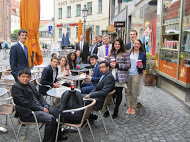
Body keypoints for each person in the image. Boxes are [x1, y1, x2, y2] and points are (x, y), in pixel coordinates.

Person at [11, 68, 68, 142]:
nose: (25, 79)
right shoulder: (16, 88)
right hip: (28, 112)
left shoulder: (31, 84)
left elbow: (39, 96)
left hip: (38, 107)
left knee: (58, 112)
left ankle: (57, 136)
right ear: (18, 77)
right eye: (23, 77)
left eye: (27, 77)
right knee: (50, 119)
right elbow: (25, 103)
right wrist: (41, 109)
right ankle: (48, 140)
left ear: (30, 78)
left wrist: (45, 105)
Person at [106, 37, 131, 119]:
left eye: (118, 44)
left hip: (121, 76)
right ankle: (107, 109)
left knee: (119, 93)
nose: (117, 45)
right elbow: (107, 63)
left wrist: (117, 65)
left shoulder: (125, 53)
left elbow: (128, 65)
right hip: (112, 75)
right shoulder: (111, 53)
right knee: (110, 93)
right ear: (113, 45)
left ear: (121, 45)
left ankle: (116, 110)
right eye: (115, 44)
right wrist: (109, 64)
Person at [125, 39, 146, 115]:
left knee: (134, 91)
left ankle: (133, 107)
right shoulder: (129, 53)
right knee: (127, 91)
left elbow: (144, 65)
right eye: (135, 44)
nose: (136, 45)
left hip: (136, 74)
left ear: (140, 45)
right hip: (128, 73)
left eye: (138, 44)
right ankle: (128, 106)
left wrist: (142, 66)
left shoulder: (143, 54)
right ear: (133, 44)